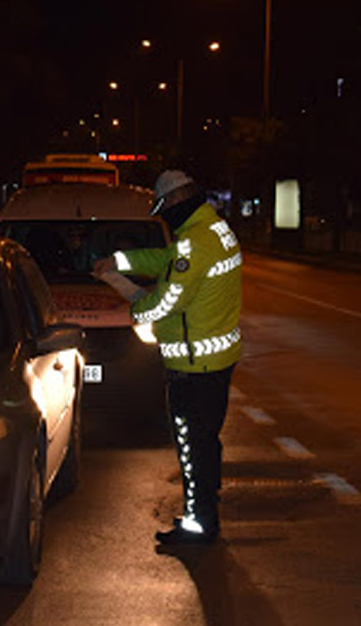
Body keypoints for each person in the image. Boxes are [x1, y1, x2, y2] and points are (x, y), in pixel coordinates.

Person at [93, 170, 242, 545]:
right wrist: (121, 260)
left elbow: (171, 298)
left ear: (176, 202)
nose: (164, 216)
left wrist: (136, 311)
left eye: (164, 208)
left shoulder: (196, 242)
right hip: (214, 360)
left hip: (194, 366)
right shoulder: (214, 232)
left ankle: (199, 523)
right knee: (206, 441)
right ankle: (206, 510)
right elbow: (166, 260)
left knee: (193, 444)